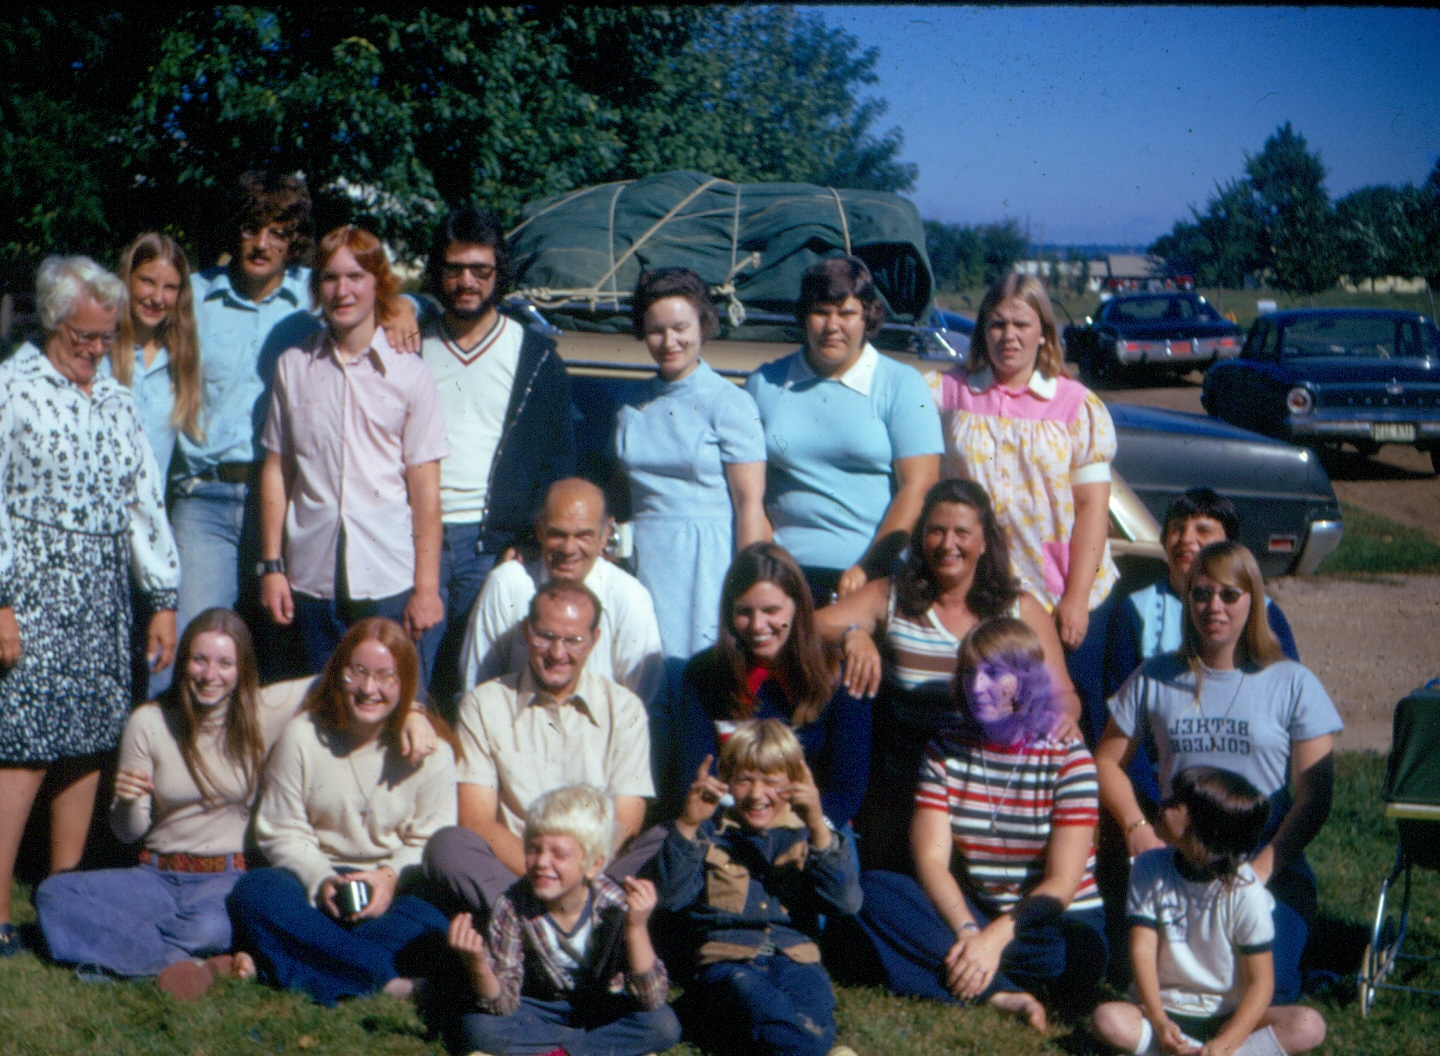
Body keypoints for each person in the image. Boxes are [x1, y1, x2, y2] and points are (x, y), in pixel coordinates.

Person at [33, 608, 440, 997]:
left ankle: (128, 954)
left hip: (223, 880)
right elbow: (129, 833)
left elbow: (350, 681)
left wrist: (413, 711)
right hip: (155, 874)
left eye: (225, 663)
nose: (210, 675)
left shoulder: (261, 712)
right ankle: (189, 963)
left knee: (213, 926)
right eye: (199, 660)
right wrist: (126, 803)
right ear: (184, 662)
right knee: (54, 895)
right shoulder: (150, 722)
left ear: (242, 668)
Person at [0, 256, 180, 955]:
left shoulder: (116, 398)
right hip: (32, 592)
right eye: (85, 335)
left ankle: (64, 902)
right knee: (22, 751)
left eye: (108, 336)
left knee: (86, 747)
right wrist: (1, 600)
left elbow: (144, 499)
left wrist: (161, 598)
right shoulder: (11, 389)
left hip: (103, 594)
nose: (99, 349)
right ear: (53, 322)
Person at [172, 172, 421, 650]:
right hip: (207, 499)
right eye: (251, 229)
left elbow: (370, 289)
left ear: (294, 241)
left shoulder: (316, 294)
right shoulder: (193, 298)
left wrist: (404, 306)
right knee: (199, 643)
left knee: (280, 648)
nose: (262, 244)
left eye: (278, 233)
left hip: (292, 500)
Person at [1096, 541, 1342, 1007]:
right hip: (1180, 865)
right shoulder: (1156, 676)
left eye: (1229, 594)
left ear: (1254, 600)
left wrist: (1263, 869)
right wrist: (1136, 826)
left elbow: (1316, 795)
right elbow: (1106, 762)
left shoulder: (1292, 681)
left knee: (1269, 991)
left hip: (1263, 859)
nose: (1214, 606)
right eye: (1201, 593)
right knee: (1164, 989)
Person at [813, 479, 1081, 870]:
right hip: (909, 782)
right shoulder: (892, 596)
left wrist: (1064, 718)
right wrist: (852, 635)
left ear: (985, 542)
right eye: (936, 530)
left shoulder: (1019, 608)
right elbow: (808, 625)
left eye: (961, 533)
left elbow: (1063, 695)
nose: (947, 543)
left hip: (991, 784)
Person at [857, 619, 1108, 1034]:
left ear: (1026, 678)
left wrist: (992, 941)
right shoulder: (945, 749)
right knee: (873, 893)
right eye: (969, 672)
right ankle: (1000, 993)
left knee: (1070, 953)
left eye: (993, 673)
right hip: (981, 912)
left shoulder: (1068, 756)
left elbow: (1063, 884)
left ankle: (959, 967)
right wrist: (969, 930)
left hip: (1048, 924)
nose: (976, 687)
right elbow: (931, 859)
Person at [226, 618, 457, 1006]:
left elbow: (431, 841)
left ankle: (280, 960)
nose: (369, 689)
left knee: (431, 925)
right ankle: (390, 983)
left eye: (385, 676)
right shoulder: (303, 736)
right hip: (316, 884)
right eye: (358, 672)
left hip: (394, 888)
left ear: (405, 683)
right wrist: (321, 879)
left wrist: (388, 879)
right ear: (338, 672)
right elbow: (282, 829)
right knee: (255, 893)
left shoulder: (432, 753)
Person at [931, 274, 1119, 745]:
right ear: (982, 330)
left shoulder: (1077, 406)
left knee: (1064, 720)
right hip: (978, 591)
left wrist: (1076, 598)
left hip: (1058, 592)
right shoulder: (946, 393)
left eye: (1021, 324)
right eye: (997, 324)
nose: (1008, 336)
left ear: (1044, 332)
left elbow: (1093, 505)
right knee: (986, 720)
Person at [258, 225, 449, 677]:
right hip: (310, 575)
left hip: (387, 575)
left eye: (355, 277)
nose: (342, 291)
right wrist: (272, 566)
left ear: (378, 284)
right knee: (318, 697)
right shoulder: (293, 366)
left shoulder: (410, 374)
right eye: (330, 278)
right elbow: (277, 471)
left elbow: (425, 491)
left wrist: (426, 588)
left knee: (390, 696)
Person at [419, 205, 576, 712]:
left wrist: (530, 537)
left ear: (498, 273)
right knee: (410, 680)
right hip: (413, 539)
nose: (466, 281)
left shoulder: (535, 356)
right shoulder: (410, 345)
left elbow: (558, 459)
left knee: (478, 687)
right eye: (454, 268)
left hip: (494, 547)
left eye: (480, 270)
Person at [427, 582, 658, 924]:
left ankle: (535, 927)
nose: (557, 653)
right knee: (447, 847)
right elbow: (476, 819)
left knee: (667, 841)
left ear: (594, 639)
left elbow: (627, 816)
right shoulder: (485, 703)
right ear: (526, 631)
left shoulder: (624, 707)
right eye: (545, 636)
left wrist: (578, 876)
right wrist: (546, 874)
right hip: (518, 872)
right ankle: (572, 926)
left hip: (594, 870)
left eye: (573, 640)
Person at [656, 719, 863, 1056]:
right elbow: (670, 898)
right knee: (761, 1008)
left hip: (796, 960)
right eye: (744, 780)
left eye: (770, 782)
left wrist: (817, 824)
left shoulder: (809, 835)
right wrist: (688, 824)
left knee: (815, 1018)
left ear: (794, 783)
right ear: (727, 780)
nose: (756, 794)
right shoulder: (709, 833)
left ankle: (708, 1024)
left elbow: (846, 903)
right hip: (729, 963)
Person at [744, 256, 941, 604]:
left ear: (868, 316)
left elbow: (919, 487)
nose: (832, 325)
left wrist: (868, 568)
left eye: (846, 313)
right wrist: (765, 567)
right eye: (821, 312)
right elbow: (749, 492)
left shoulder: (903, 384)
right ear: (804, 315)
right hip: (783, 577)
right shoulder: (764, 383)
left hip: (875, 575)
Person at [1089, 767, 1327, 1056]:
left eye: (1175, 803)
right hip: (1163, 1009)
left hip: (1227, 1015)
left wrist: (1229, 1038)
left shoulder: (1246, 891)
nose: (1163, 804)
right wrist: (1160, 1021)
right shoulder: (1149, 866)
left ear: (1204, 827)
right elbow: (1142, 951)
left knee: (1309, 1025)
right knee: (1108, 1019)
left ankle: (1211, 1051)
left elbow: (1261, 983)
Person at [447, 785, 682, 1056]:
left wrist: (636, 927)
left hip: (603, 1007)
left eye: (558, 854)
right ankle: (592, 1048)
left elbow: (651, 998)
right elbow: (503, 1005)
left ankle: (559, 1051)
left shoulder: (616, 904)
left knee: (664, 1025)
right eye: (534, 849)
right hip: (542, 1009)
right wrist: (478, 964)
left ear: (593, 865)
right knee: (476, 1028)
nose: (541, 862)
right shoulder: (511, 906)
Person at [615, 266, 769, 664]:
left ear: (703, 325)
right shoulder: (629, 406)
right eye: (656, 331)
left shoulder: (731, 403)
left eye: (680, 328)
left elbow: (749, 504)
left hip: (708, 562)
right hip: (645, 557)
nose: (669, 342)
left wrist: (750, 585)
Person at [671, 543, 871, 828]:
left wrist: (803, 832)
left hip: (811, 827)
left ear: (797, 607)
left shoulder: (838, 675)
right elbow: (697, 775)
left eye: (771, 610)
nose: (757, 625)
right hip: (729, 825)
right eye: (744, 611)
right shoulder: (705, 673)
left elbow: (846, 789)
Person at [459, 478, 663, 705]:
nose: (568, 548)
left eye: (583, 536)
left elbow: (644, 703)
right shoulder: (507, 584)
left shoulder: (628, 596)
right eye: (558, 534)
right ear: (539, 529)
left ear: (605, 533)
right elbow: (476, 687)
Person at [108, 232, 205, 700]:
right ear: (127, 280)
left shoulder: (180, 360)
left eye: (170, 287)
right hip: (98, 532)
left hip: (148, 534)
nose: (157, 297)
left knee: (143, 660)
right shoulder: (101, 350)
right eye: (147, 282)